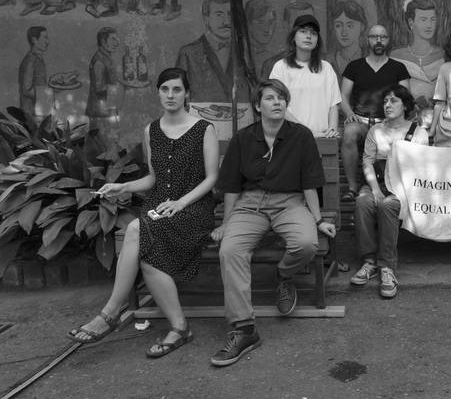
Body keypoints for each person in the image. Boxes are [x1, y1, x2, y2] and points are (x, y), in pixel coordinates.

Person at [68, 68, 219, 357]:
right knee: (147, 249)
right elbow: (153, 178)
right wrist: (122, 186)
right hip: (160, 207)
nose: (171, 95)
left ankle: (111, 313)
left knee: (137, 230)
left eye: (177, 89)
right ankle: (179, 328)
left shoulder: (204, 128)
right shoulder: (152, 130)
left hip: (193, 208)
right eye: (165, 89)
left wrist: (181, 203)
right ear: (158, 93)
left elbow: (212, 178)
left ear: (187, 93)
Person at [210, 79, 336, 367]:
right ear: (258, 106)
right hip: (250, 204)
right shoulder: (243, 138)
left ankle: (283, 275)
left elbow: (310, 183)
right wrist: (227, 223)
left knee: (306, 244)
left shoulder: (301, 136)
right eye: (270, 98)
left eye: (281, 98)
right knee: (230, 250)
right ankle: (244, 329)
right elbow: (231, 186)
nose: (277, 102)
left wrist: (318, 219)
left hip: (289, 202)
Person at [350, 84, 428, 298]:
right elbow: (367, 161)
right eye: (385, 101)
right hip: (377, 182)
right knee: (363, 201)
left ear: (405, 105)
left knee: (387, 205)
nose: (388, 105)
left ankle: (387, 267)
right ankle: (369, 262)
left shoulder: (418, 132)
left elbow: (421, 168)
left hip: (405, 187)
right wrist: (375, 190)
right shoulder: (375, 131)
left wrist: (400, 192)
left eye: (394, 100)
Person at [339, 24, 410, 202]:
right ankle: (352, 188)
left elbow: (405, 98)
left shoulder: (398, 68)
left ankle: (394, 189)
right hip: (362, 122)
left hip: (388, 124)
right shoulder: (354, 66)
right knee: (349, 132)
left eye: (383, 37)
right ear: (367, 40)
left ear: (388, 40)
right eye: (374, 37)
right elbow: (343, 96)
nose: (378, 41)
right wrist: (349, 113)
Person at [268, 14, 341, 137]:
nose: (308, 36)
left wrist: (332, 130)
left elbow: (333, 105)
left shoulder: (326, 68)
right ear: (293, 37)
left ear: (317, 41)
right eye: (303, 31)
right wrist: (306, 132)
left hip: (322, 136)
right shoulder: (281, 67)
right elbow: (277, 105)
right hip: (290, 136)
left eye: (313, 33)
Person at [175, 0, 250, 103]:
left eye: (230, 14)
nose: (227, 22)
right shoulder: (188, 53)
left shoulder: (243, 52)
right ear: (206, 19)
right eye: (219, 15)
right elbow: (178, 95)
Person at [391, 0, 444, 127]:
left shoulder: (444, 55)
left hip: (438, 120)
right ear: (411, 23)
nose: (429, 25)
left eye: (432, 19)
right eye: (423, 19)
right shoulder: (396, 56)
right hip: (405, 120)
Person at [86, 27, 120, 141]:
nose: (117, 42)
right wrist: (120, 87)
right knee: (102, 144)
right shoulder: (99, 61)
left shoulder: (107, 57)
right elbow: (99, 88)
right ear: (103, 42)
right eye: (113, 39)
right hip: (100, 113)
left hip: (107, 108)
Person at [244, 0, 281, 79]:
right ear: (249, 24)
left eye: (270, 22)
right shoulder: (241, 54)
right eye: (260, 22)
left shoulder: (276, 55)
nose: (267, 29)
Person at [330, 0, 367, 76]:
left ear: (362, 27)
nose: (344, 33)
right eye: (338, 26)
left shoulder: (370, 58)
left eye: (350, 26)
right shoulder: (327, 61)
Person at [18, 26, 48, 117]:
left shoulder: (37, 59)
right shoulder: (31, 61)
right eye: (45, 38)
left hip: (39, 112)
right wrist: (48, 93)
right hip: (31, 115)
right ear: (34, 40)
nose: (47, 42)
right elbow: (26, 90)